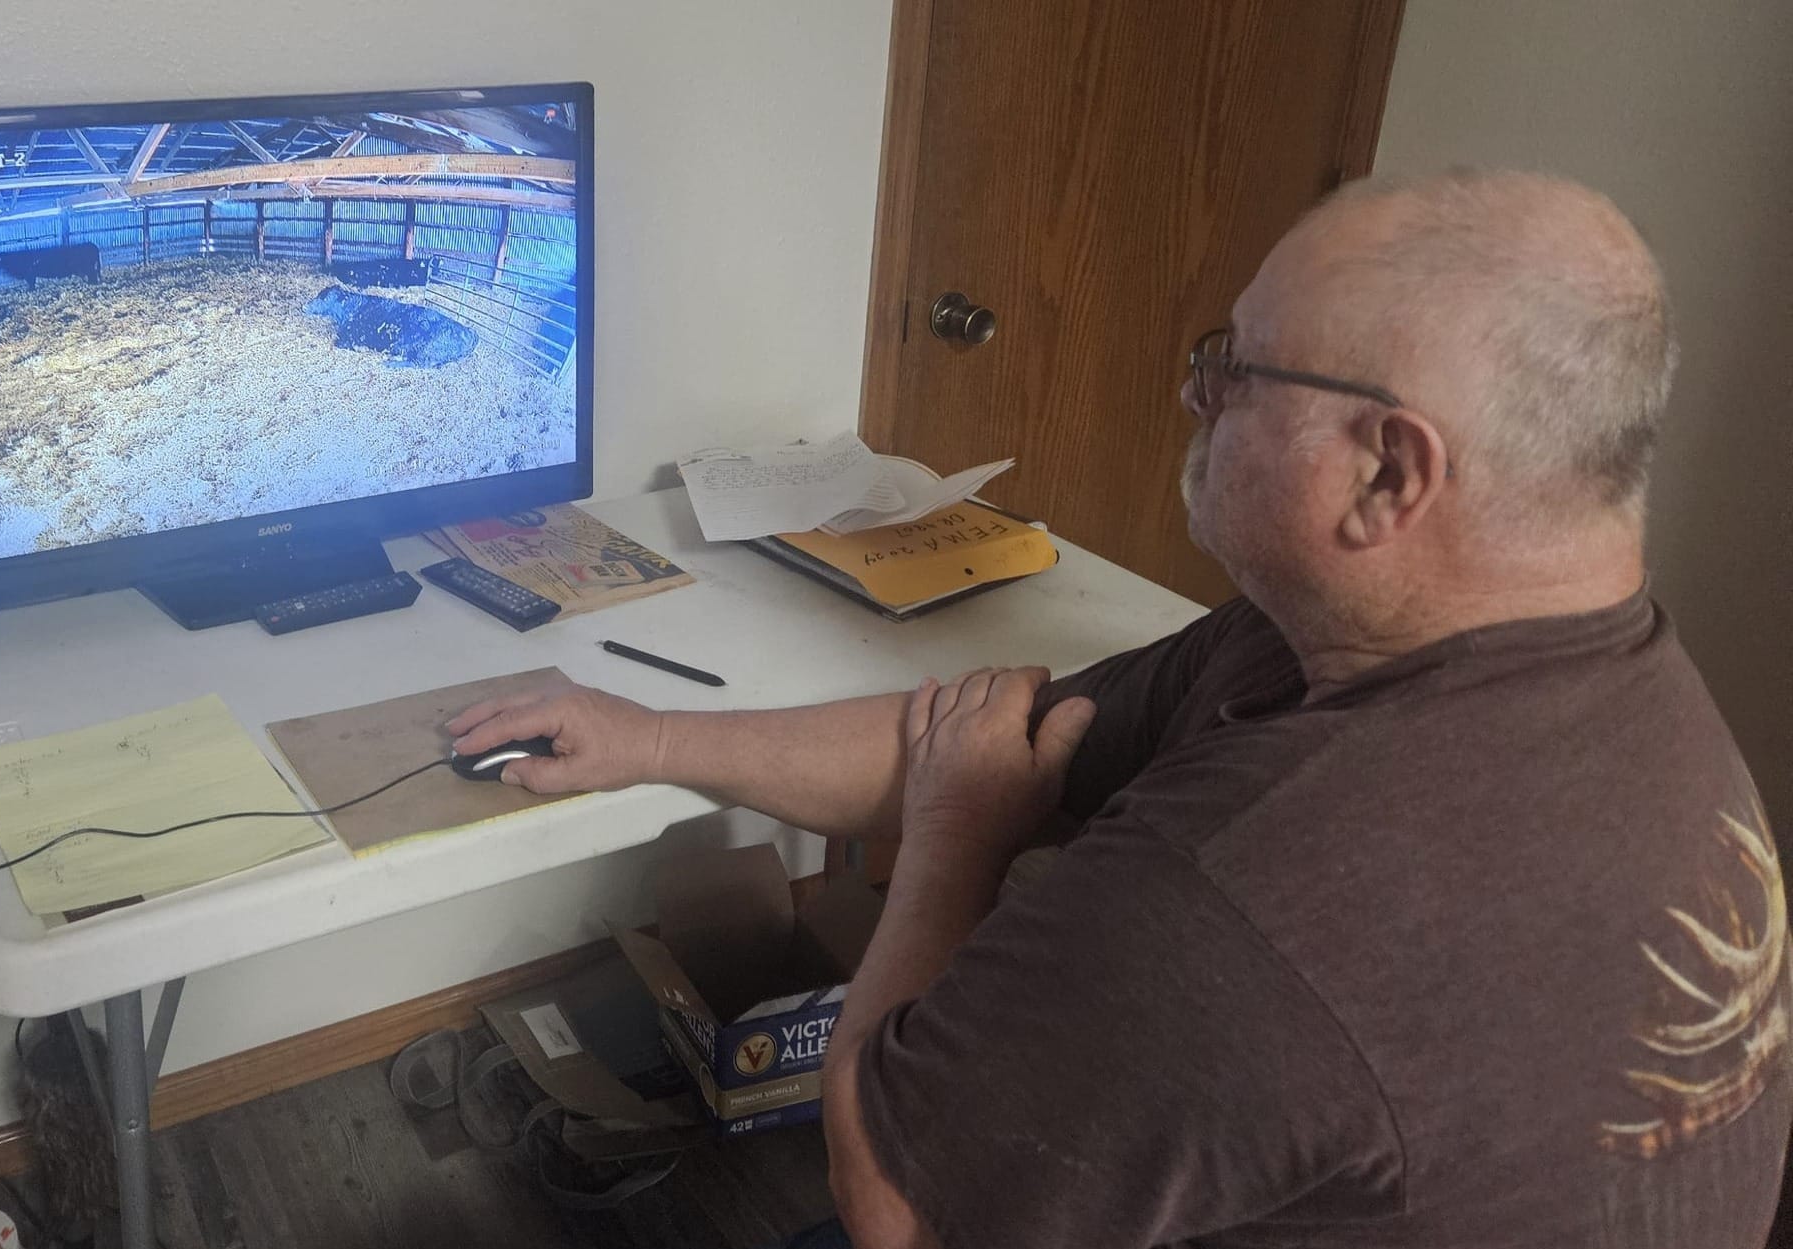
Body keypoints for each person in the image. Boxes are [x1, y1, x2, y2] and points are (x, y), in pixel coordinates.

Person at [444, 171, 1789, 1247]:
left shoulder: (1263, 888)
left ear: (1388, 474)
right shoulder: (1571, 669)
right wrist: (649, 738)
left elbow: (893, 1206)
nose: (1193, 395)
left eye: (1239, 370)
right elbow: (977, 733)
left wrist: (958, 837)